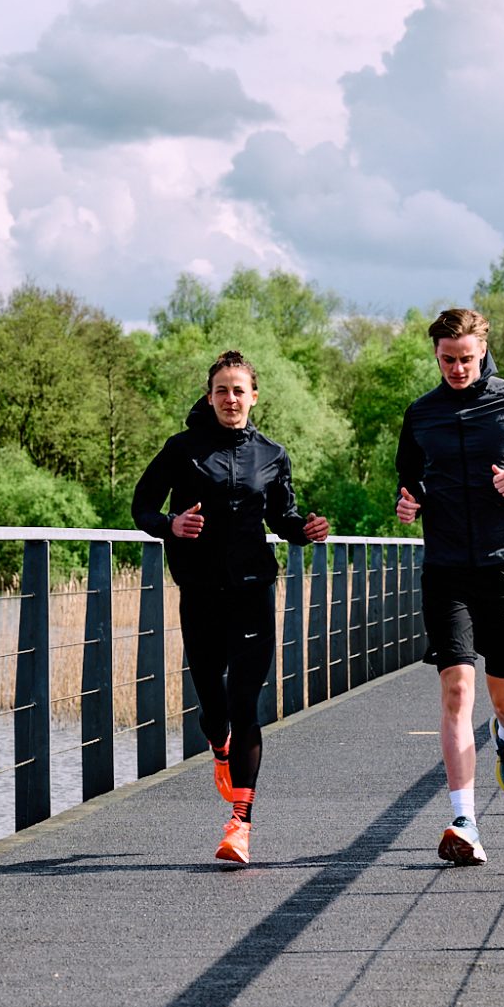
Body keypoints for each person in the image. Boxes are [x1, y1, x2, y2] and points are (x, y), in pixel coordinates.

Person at [133, 350, 329, 866]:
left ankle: (240, 825)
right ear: (209, 395)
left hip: (253, 591)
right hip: (200, 590)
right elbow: (142, 506)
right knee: (214, 707)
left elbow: (283, 516)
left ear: (254, 396)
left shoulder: (272, 453)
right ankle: (218, 747)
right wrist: (170, 525)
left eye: (239, 389)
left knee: (245, 705)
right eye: (221, 389)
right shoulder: (183, 450)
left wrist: (303, 531)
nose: (230, 398)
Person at [396, 307, 504, 865]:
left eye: (466, 359)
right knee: (455, 690)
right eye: (447, 360)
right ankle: (464, 821)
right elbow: (410, 477)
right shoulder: (421, 414)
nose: (456, 369)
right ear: (436, 355)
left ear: (482, 352)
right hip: (446, 567)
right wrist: (409, 501)